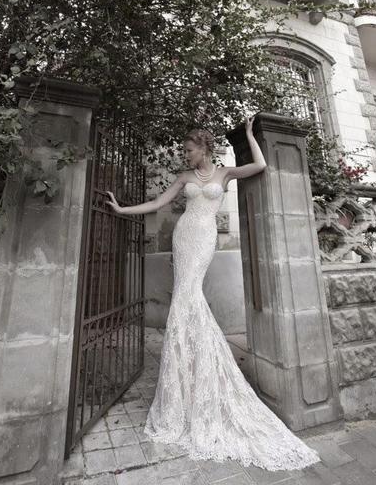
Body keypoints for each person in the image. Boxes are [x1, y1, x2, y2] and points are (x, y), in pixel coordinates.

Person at [106, 116, 320, 471]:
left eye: (189, 151)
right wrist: (122, 209)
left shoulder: (223, 173)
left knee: (189, 298)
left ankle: (197, 371)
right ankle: (186, 377)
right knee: (184, 302)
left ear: (204, 148)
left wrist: (250, 135)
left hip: (204, 238)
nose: (185, 156)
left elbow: (261, 165)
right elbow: (158, 204)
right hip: (184, 235)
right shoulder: (184, 178)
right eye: (185, 152)